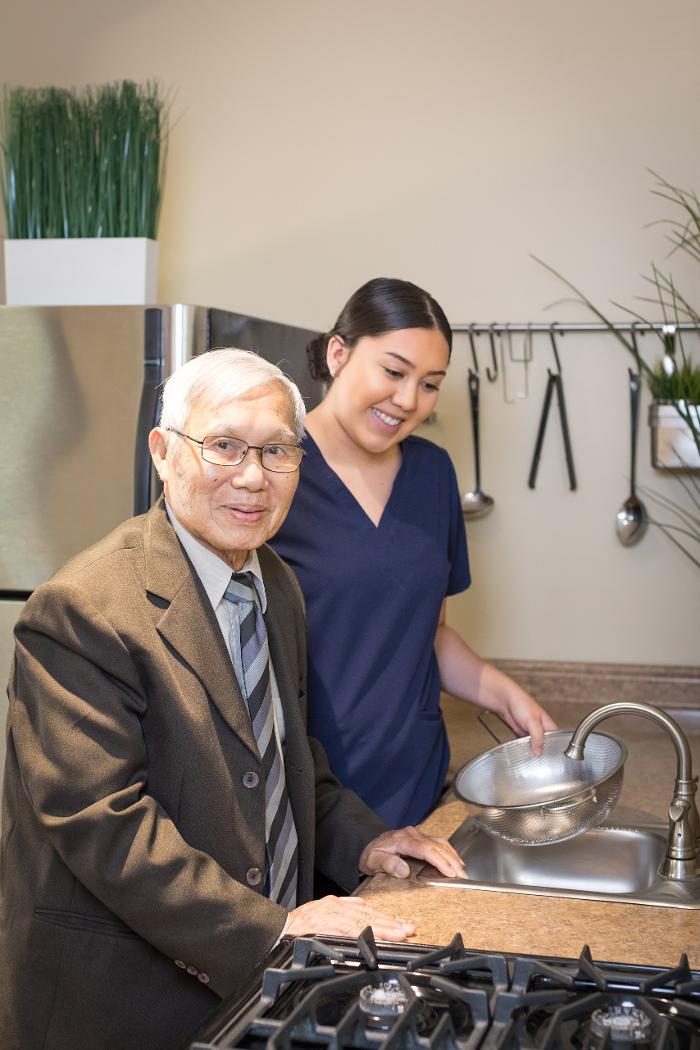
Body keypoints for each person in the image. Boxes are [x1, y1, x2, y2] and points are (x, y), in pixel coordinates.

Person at [0, 348, 466, 1050]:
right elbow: (104, 825)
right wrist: (276, 929)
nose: (253, 477)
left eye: (277, 450)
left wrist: (365, 840)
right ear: (163, 453)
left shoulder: (274, 582)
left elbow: (282, 755)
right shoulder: (82, 610)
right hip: (121, 1000)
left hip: (255, 987)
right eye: (223, 446)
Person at [271, 278, 557, 827]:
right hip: (307, 795)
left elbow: (430, 633)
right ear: (338, 353)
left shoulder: (433, 473)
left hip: (414, 787)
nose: (408, 401)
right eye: (394, 371)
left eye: (429, 384)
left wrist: (505, 696)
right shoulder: (272, 472)